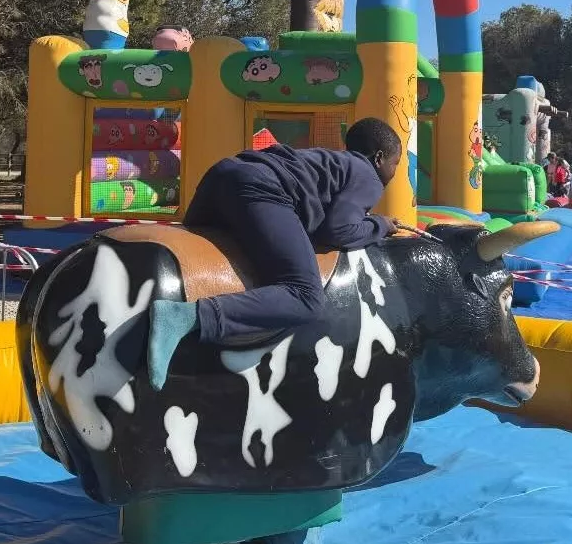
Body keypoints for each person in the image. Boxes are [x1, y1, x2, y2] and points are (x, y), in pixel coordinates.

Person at [144, 118, 403, 390]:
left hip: (222, 176)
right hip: (260, 188)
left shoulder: (328, 161)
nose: (394, 172)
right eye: (396, 164)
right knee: (307, 297)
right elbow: (338, 230)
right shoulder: (367, 174)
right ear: (378, 158)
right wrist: (380, 225)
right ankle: (187, 317)